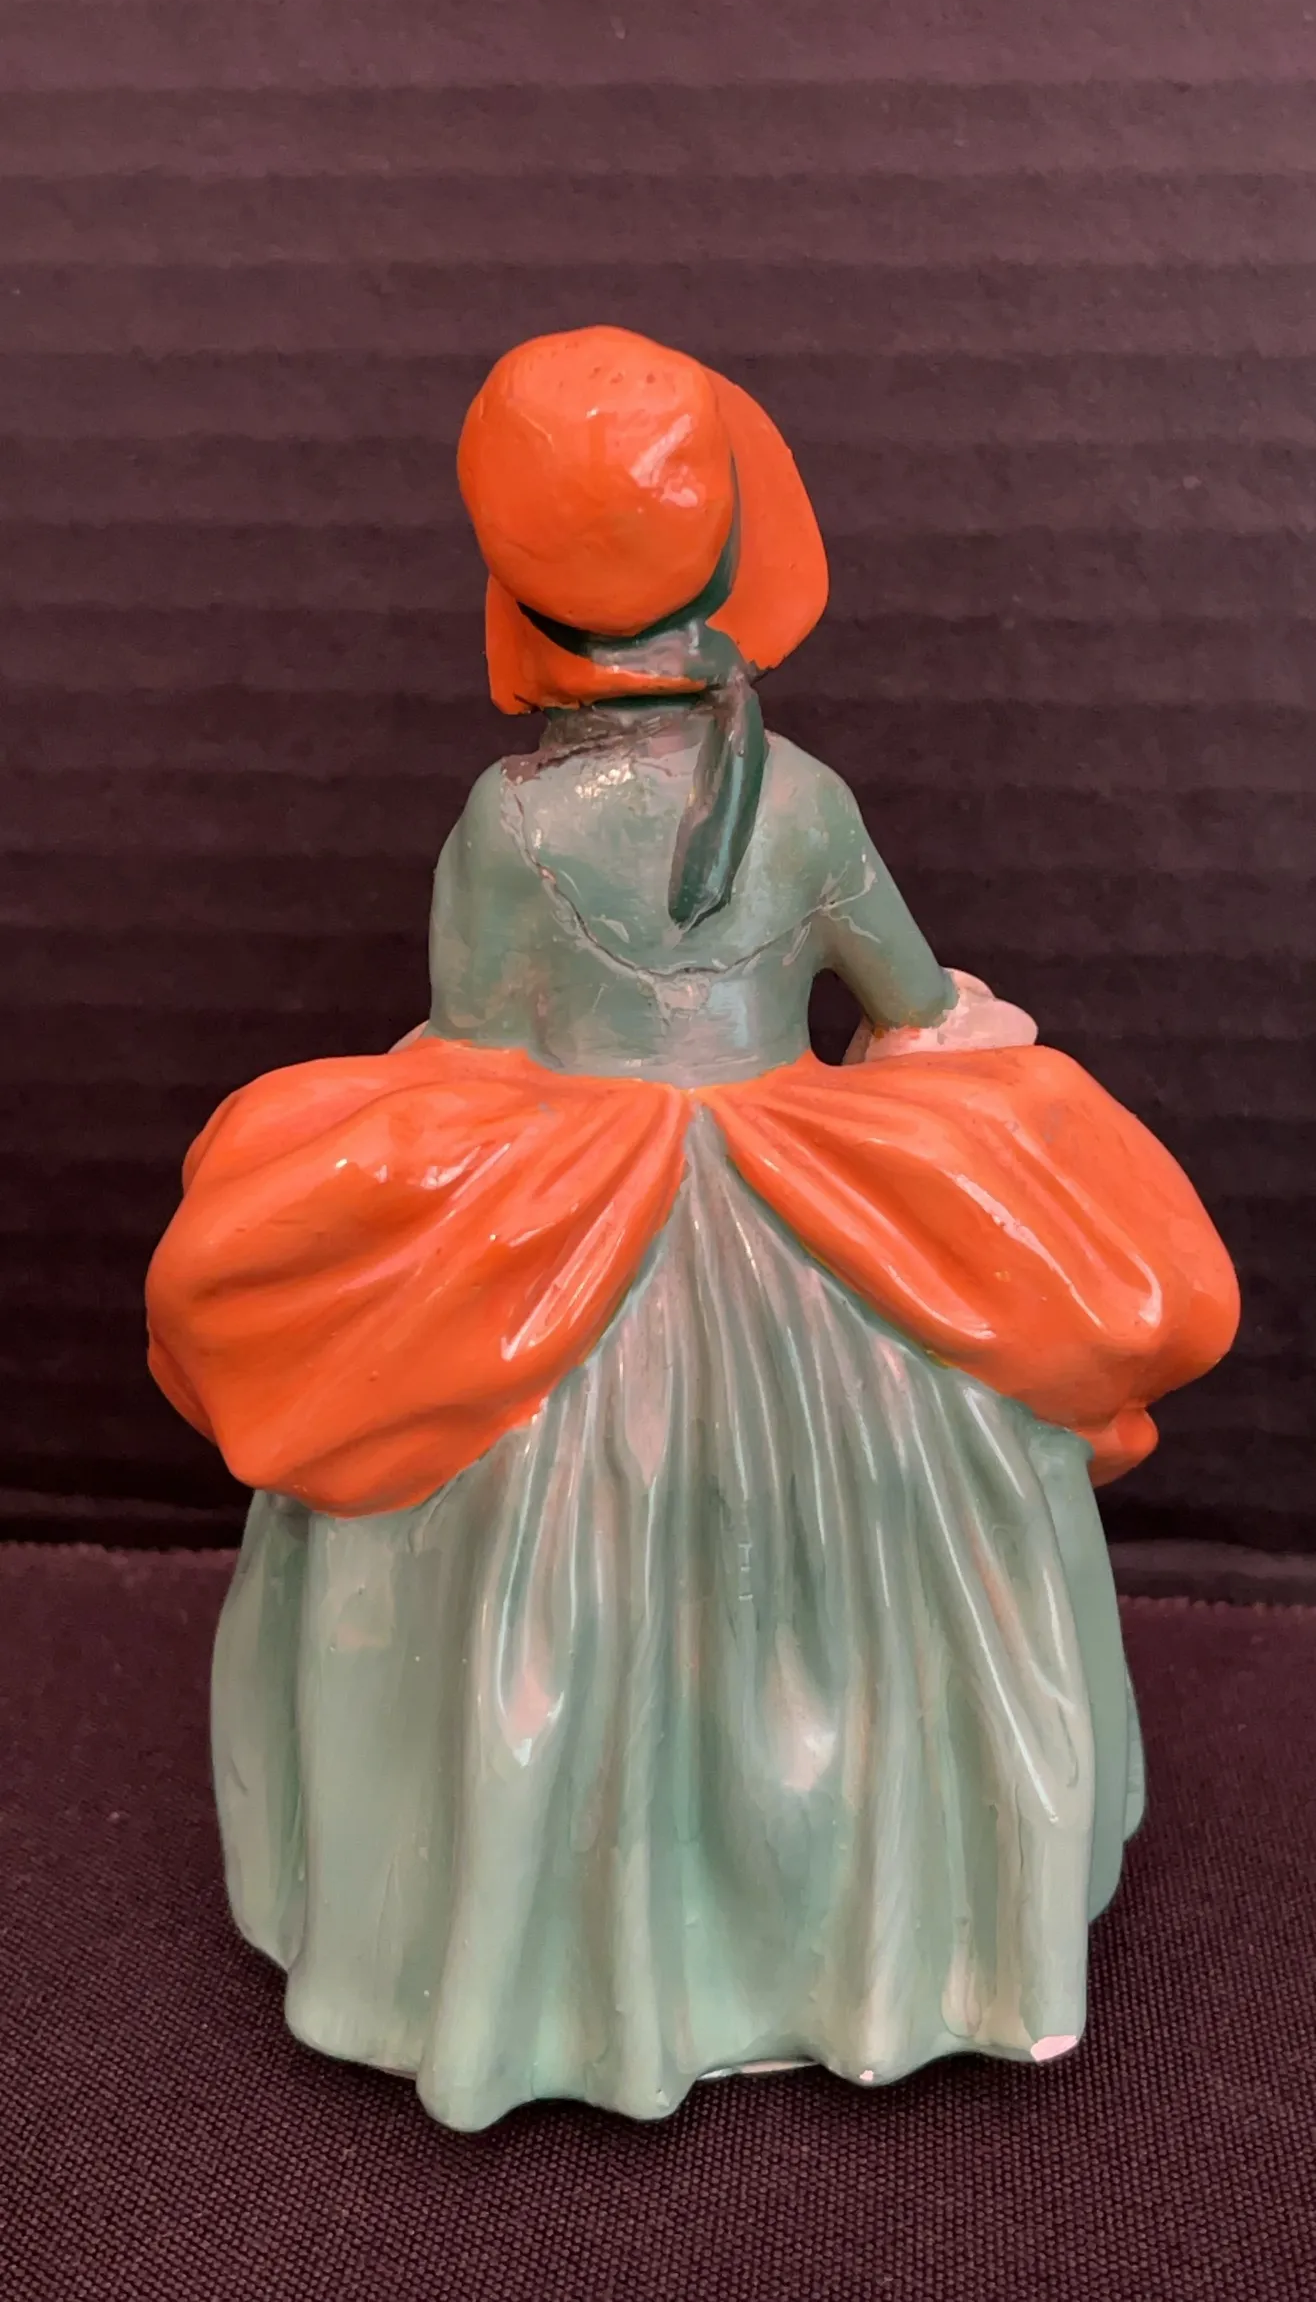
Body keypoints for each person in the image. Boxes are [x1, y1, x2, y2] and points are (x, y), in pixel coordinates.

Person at [147, 327, 1238, 2130]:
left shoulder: (509, 824)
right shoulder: (804, 802)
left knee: (492, 1488)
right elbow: (913, 1007)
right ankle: (892, 1914)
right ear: (735, 557)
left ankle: (552, 1938)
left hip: (554, 1227)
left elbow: (472, 1062)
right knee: (912, 1489)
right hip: (819, 1212)